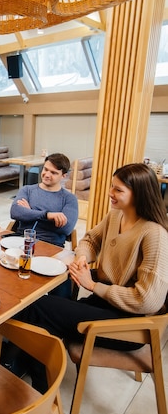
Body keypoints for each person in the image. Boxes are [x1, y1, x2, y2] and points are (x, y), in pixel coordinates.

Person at [14, 162, 168, 393]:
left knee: (38, 307)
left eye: (118, 190)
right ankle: (33, 372)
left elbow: (148, 300)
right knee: (46, 315)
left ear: (139, 194)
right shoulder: (116, 215)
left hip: (129, 324)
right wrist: (83, 257)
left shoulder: (154, 233)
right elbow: (90, 239)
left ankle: (31, 378)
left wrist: (93, 285)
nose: (110, 193)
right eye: (111, 187)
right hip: (105, 304)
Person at [10, 152, 78, 247]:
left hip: (52, 246)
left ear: (63, 176)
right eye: (45, 169)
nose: (47, 175)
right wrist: (48, 216)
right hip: (22, 241)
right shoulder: (27, 190)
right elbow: (15, 212)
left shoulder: (69, 199)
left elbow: (66, 228)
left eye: (53, 173)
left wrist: (30, 213)